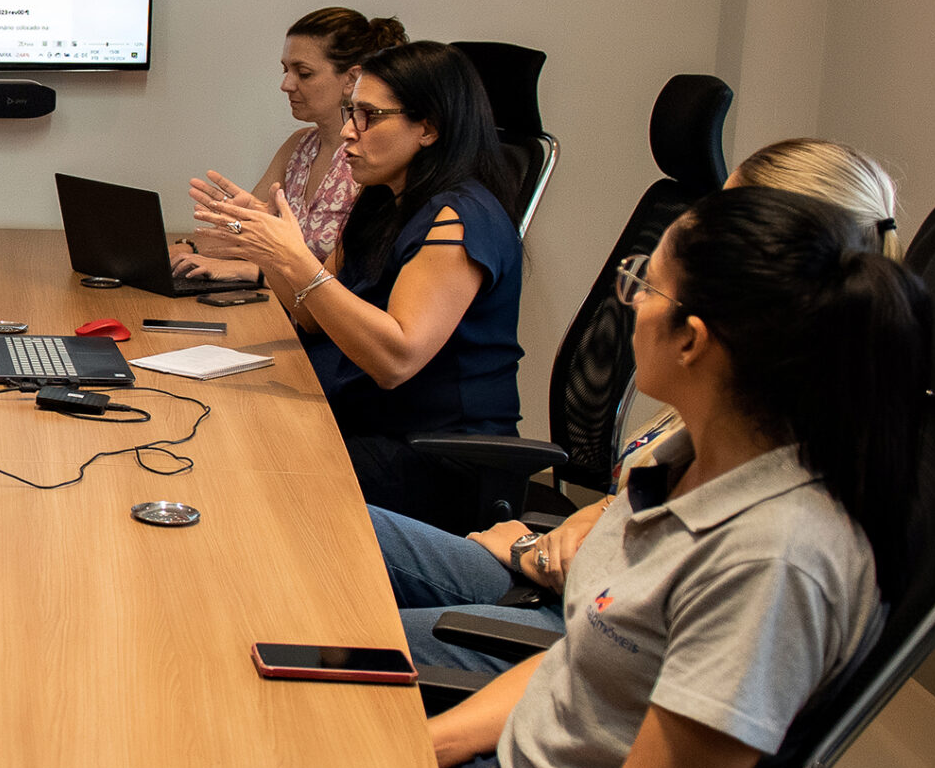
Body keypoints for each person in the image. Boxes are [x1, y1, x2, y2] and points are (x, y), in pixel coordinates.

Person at [428, 186, 927, 768]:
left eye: (643, 285)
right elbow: (578, 655)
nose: (629, 306)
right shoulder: (689, 458)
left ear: (693, 337)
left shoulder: (775, 559)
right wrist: (425, 751)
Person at [379, 138, 906, 670]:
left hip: (577, 629)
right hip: (564, 587)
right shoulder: (721, 404)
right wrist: (590, 520)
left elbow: (636, 613)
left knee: (351, 629)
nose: (634, 301)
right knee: (331, 537)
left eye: (721, 215)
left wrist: (529, 553)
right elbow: (638, 519)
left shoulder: (764, 455)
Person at [191, 40, 522, 530]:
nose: (348, 131)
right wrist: (267, 247)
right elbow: (311, 315)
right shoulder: (380, 200)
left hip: (436, 458)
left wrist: (295, 258)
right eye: (351, 112)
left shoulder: (459, 219)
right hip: (369, 423)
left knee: (243, 476)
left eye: (369, 115)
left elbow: (395, 359)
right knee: (225, 434)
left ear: (427, 128)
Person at [175, 7, 407, 280]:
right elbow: (244, 234)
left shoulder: (374, 162)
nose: (286, 84)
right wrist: (185, 248)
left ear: (351, 80)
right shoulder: (299, 146)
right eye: (286, 70)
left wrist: (254, 273)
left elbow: (354, 279)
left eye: (304, 73)